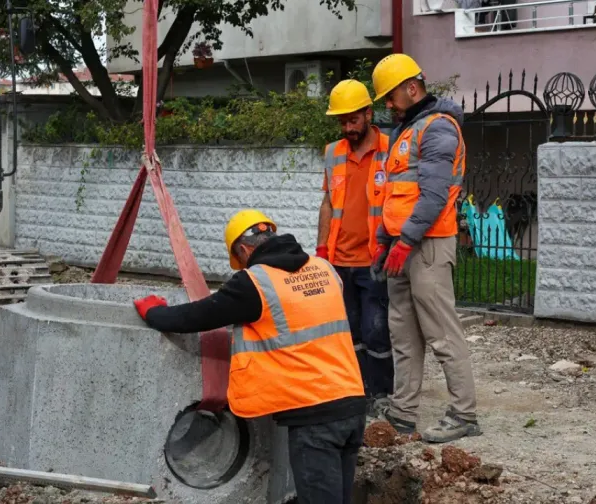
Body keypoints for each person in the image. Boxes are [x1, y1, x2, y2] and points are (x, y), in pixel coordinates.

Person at [134, 209, 366, 504]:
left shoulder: (256, 283)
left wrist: (155, 312)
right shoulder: (325, 270)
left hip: (314, 417)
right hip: (353, 406)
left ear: (243, 250)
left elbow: (198, 315)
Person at [369, 53, 481, 443]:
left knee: (441, 332)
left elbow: (433, 196)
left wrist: (406, 241)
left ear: (411, 88)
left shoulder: (437, 129)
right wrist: (387, 243)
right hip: (404, 245)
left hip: (428, 245)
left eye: (389, 95)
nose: (386, 104)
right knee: (403, 333)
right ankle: (403, 412)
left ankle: (464, 414)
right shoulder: (408, 129)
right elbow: (394, 196)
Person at [318, 79, 393, 415]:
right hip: (339, 260)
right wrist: (322, 251)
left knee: (376, 329)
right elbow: (328, 203)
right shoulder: (333, 152)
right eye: (342, 121)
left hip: (374, 260)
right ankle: (359, 390)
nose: (347, 127)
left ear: (368, 113)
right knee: (350, 328)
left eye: (353, 120)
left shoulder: (392, 149)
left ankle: (382, 393)